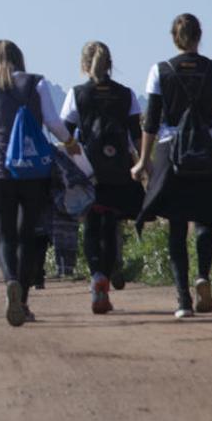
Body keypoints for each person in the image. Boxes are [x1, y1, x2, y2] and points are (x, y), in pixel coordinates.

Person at [132, 14, 212, 319]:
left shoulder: (160, 70)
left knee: (177, 226)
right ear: (199, 36)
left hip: (171, 153)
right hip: (205, 151)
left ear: (174, 38)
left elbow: (151, 122)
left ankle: (182, 300)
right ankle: (203, 275)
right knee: (206, 219)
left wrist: (143, 160)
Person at [0, 40, 80, 326]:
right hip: (34, 171)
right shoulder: (36, 84)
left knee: (4, 235)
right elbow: (52, 122)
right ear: (19, 58)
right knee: (27, 237)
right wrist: (69, 143)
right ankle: (21, 300)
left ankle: (10, 279)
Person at [61, 41, 145, 314]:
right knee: (111, 224)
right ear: (110, 64)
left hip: (89, 171)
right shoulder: (126, 95)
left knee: (91, 226)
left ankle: (97, 276)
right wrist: (144, 164)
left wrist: (72, 162)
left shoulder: (77, 94)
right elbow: (136, 135)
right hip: (119, 170)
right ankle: (105, 281)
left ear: (84, 65)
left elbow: (65, 134)